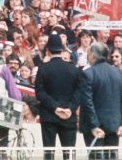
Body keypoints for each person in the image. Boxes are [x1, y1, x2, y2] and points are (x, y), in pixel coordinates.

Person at [80, 43, 122, 160]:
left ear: (92, 56)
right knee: (112, 157)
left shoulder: (88, 74)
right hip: (114, 125)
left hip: (95, 126)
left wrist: (94, 126)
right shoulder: (119, 73)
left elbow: (87, 103)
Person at [35, 31, 81, 160]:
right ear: (62, 50)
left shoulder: (43, 68)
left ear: (48, 50)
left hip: (49, 115)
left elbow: (39, 93)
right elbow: (79, 92)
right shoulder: (73, 69)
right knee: (69, 154)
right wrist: (70, 108)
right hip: (68, 115)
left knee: (49, 153)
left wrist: (55, 107)